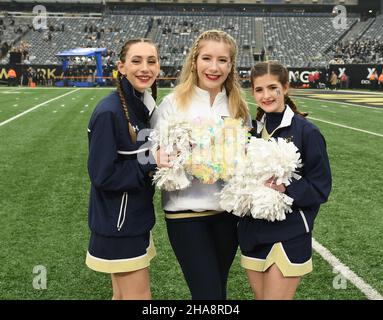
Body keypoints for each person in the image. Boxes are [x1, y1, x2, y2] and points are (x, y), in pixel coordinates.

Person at [156, 30, 250, 299]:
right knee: (208, 294)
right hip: (186, 214)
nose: (214, 67)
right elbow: (152, 157)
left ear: (231, 66)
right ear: (194, 61)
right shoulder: (173, 103)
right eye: (207, 58)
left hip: (227, 216)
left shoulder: (237, 107)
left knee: (217, 291)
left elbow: (245, 158)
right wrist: (180, 159)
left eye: (223, 60)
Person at [238, 61, 332, 300]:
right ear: (253, 92)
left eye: (273, 88)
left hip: (289, 233)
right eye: (259, 90)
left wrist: (285, 187)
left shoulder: (306, 132)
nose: (266, 95)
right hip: (252, 232)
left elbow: (321, 188)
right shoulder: (251, 133)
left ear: (286, 87)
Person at [85, 38, 167, 300]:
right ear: (121, 67)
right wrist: (152, 162)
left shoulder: (141, 104)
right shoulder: (109, 112)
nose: (145, 68)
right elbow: (103, 175)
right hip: (119, 223)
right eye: (136, 61)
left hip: (132, 218)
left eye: (151, 61)